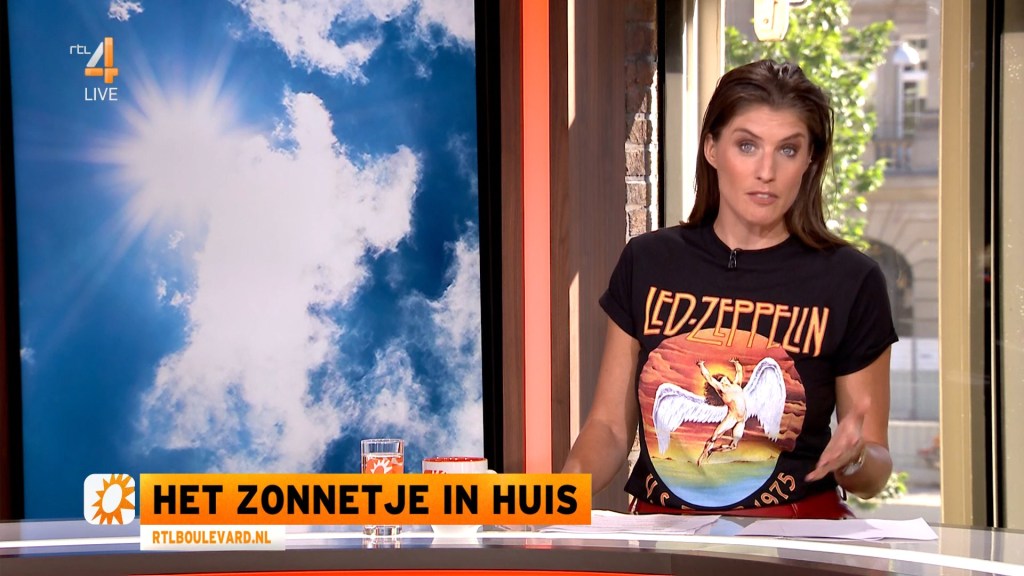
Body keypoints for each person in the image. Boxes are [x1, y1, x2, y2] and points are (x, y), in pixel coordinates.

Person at [561, 59, 898, 519]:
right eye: (747, 145)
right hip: (665, 532)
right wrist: (555, 499)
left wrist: (855, 459)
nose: (766, 170)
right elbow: (609, 429)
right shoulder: (648, 261)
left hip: (796, 534)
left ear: (810, 161)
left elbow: (874, 470)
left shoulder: (851, 280)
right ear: (712, 149)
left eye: (788, 149)